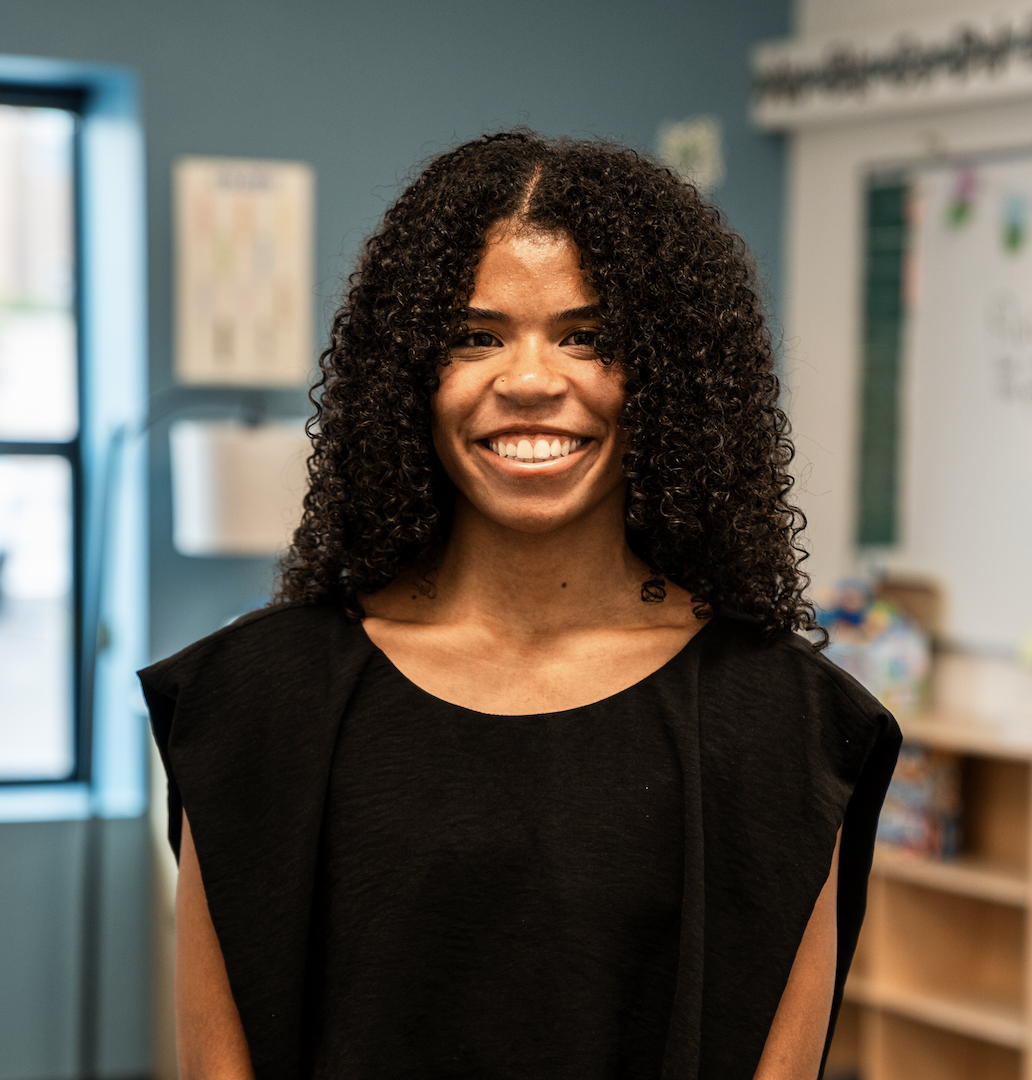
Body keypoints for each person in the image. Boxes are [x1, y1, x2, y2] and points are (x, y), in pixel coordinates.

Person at [142, 131, 900, 1080]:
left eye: (589, 338)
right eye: (475, 337)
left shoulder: (786, 726)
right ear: (406, 375)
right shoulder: (256, 698)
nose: (533, 381)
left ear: (671, 376)